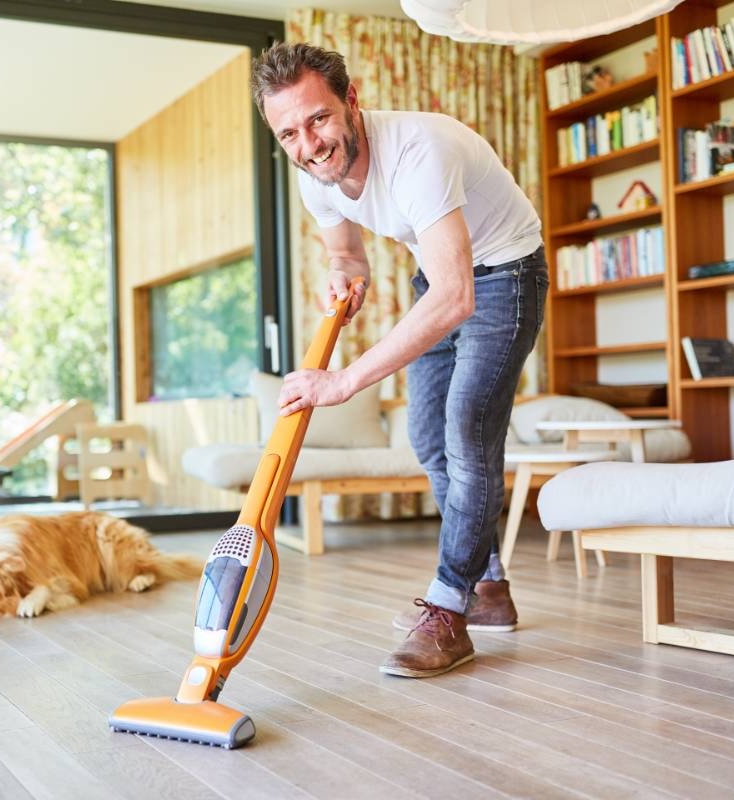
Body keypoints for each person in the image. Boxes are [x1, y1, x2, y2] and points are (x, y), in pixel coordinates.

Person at [251, 42, 546, 678]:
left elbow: (456, 294)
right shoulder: (315, 176)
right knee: (426, 436)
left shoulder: (419, 149)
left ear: (351, 101)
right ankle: (487, 585)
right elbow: (348, 255)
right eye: (290, 133)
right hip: (439, 279)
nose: (310, 144)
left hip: (506, 273)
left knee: (467, 427)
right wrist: (343, 276)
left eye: (320, 119)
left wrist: (345, 381)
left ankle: (448, 608)